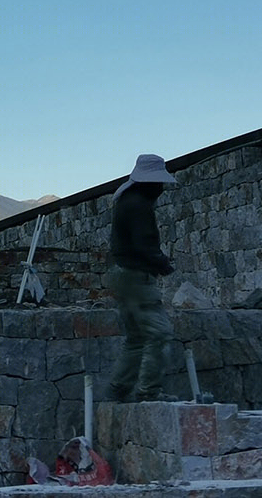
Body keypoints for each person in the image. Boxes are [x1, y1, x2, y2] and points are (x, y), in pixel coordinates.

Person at [103, 153, 177, 403]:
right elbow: (144, 244)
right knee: (159, 333)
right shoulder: (138, 205)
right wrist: (162, 263)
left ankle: (118, 389)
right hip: (137, 277)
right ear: (150, 182)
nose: (162, 189)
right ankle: (149, 391)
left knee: (136, 338)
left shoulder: (126, 201)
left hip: (122, 275)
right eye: (159, 184)